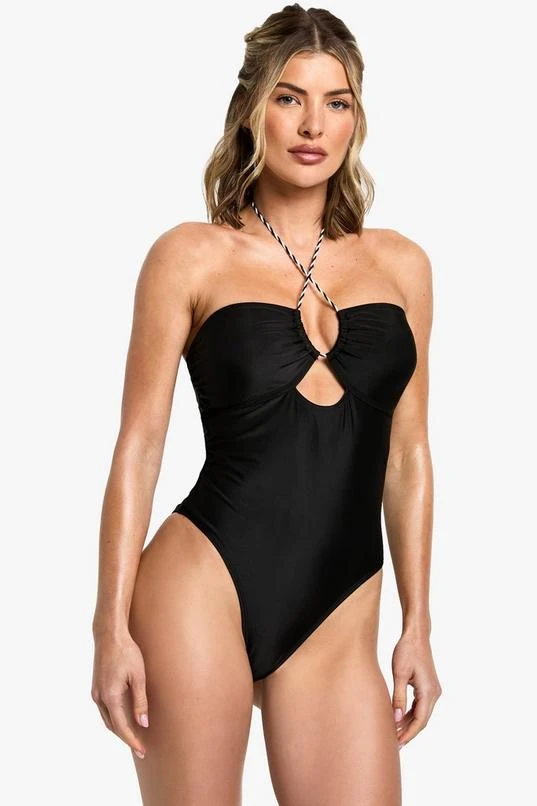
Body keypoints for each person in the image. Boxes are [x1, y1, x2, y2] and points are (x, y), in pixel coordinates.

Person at [91, 4, 442, 804]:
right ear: (253, 108)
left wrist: (417, 623)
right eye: (289, 97)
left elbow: (408, 452)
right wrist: (108, 626)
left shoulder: (401, 266)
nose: (313, 124)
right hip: (201, 583)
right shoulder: (189, 255)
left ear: (356, 117)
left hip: (339, 609)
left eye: (336, 102)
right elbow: (139, 445)